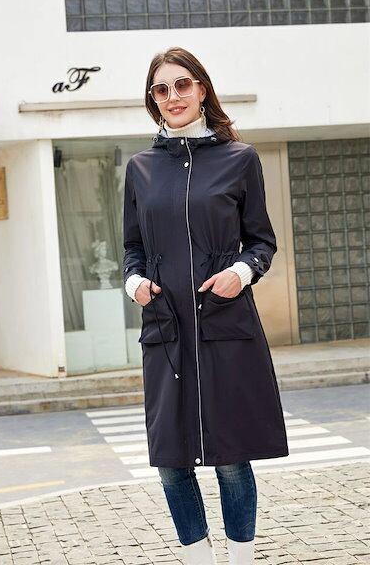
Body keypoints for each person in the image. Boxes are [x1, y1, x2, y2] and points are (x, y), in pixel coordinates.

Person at [122, 46, 289, 565]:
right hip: (166, 328)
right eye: (161, 89)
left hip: (224, 323)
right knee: (171, 461)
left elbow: (261, 241)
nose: (173, 96)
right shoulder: (140, 169)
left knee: (231, 458)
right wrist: (135, 284)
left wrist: (241, 273)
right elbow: (132, 249)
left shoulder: (240, 159)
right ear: (153, 100)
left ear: (201, 89)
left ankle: (240, 560)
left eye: (182, 84)